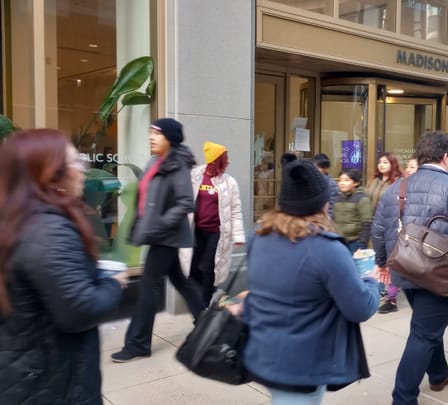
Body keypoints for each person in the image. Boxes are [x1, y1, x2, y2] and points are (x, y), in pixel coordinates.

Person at [0, 129, 127, 404]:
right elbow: (80, 309)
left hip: (24, 369)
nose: (83, 170)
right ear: (51, 174)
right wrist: (114, 283)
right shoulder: (49, 230)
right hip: (51, 379)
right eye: (76, 162)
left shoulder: (16, 220)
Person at [242, 153, 380, 404]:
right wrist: (370, 280)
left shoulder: (259, 235)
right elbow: (360, 308)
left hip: (262, 354)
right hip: (301, 366)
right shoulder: (326, 249)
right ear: (322, 204)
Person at [372, 131, 448, 405]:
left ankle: (438, 374)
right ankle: (403, 398)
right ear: (446, 157)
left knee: (427, 327)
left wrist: (382, 262)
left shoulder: (396, 188)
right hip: (439, 275)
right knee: (425, 333)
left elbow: (379, 229)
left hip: (405, 269)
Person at [112, 118, 205, 363]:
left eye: (157, 134)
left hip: (166, 235)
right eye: (150, 133)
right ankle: (205, 322)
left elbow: (186, 203)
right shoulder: (155, 161)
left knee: (148, 286)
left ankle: (137, 344)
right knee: (180, 281)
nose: (151, 137)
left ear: (170, 138)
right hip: (156, 233)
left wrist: (160, 223)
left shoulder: (178, 164)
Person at [179, 141, 245, 307]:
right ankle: (213, 292)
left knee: (209, 268)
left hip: (217, 233)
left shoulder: (229, 183)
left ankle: (204, 306)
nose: (228, 161)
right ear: (215, 160)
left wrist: (238, 235)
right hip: (196, 230)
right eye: (225, 158)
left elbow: (236, 210)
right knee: (190, 267)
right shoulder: (195, 176)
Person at [366, 152, 403, 313]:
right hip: (374, 224)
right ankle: (381, 288)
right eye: (380, 162)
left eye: (385, 162)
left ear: (392, 164)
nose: (381, 165)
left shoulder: (397, 183)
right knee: (378, 258)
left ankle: (391, 295)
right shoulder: (373, 181)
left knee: (390, 261)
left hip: (389, 225)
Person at [333, 168, 372, 253]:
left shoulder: (362, 198)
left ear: (356, 183)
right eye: (340, 180)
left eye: (346, 180)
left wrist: (363, 245)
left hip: (355, 242)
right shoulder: (336, 198)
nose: (342, 183)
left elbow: (366, 223)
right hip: (338, 240)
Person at [314, 153, 339, 219]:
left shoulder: (331, 185)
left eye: (320, 167)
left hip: (324, 221)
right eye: (316, 167)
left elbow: (331, 209)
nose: (318, 170)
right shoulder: (309, 181)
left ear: (325, 168)